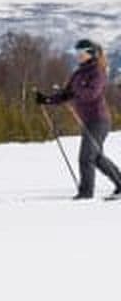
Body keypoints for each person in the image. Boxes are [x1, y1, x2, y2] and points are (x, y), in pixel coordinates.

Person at [36, 39, 121, 201]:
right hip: (88, 121)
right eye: (77, 53)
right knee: (96, 157)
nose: (78, 56)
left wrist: (76, 90)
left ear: (91, 54)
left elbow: (92, 94)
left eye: (82, 53)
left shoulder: (98, 72)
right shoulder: (79, 73)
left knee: (87, 157)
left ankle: (86, 193)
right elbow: (67, 94)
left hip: (99, 120)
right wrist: (47, 100)